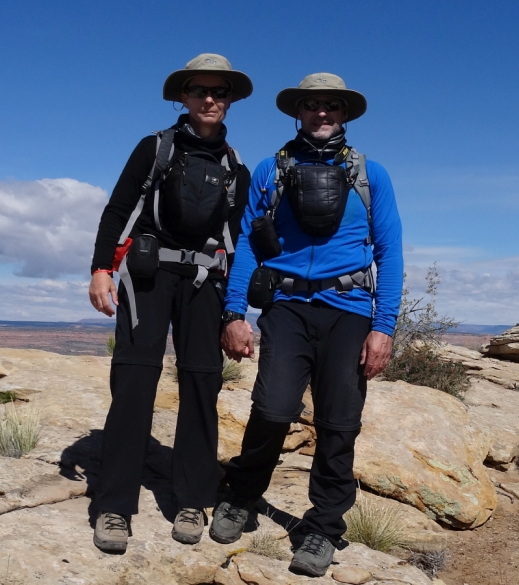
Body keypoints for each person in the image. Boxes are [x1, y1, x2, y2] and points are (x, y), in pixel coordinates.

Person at [214, 73, 403, 577]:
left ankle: (323, 529)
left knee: (339, 424)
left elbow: (390, 252)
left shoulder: (371, 175)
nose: (322, 114)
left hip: (350, 311)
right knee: (272, 410)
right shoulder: (271, 170)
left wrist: (383, 327)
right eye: (313, 105)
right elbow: (252, 244)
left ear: (344, 114)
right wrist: (235, 314)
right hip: (288, 308)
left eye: (332, 107)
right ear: (299, 112)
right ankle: (242, 494)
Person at [87, 53, 252, 553]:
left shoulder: (236, 167)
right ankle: (113, 506)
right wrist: (100, 269)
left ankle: (191, 499)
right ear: (183, 96)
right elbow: (120, 208)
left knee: (202, 384)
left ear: (228, 101)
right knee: (135, 380)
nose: (209, 99)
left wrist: (236, 310)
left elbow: (239, 239)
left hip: (205, 283)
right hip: (148, 275)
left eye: (218, 93)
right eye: (199, 90)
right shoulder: (155, 148)